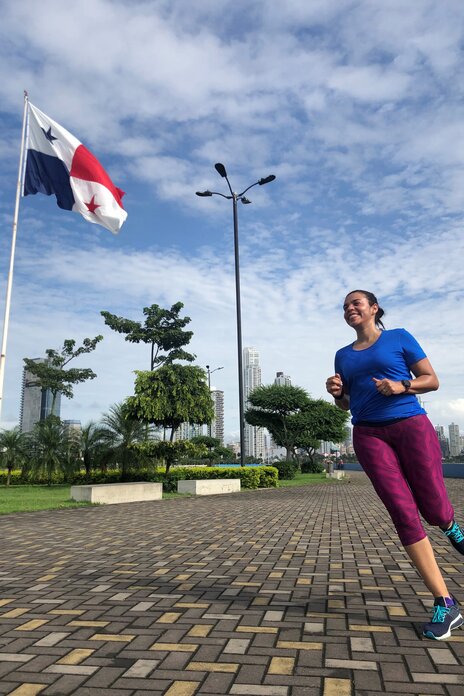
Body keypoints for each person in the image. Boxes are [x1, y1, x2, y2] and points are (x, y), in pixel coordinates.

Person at [326, 289, 464, 641]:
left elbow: (431, 380)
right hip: (369, 434)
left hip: (410, 425)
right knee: (403, 511)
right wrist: (337, 393)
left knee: (433, 507)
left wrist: (401, 385)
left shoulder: (399, 338)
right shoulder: (342, 355)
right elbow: (346, 405)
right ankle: (445, 602)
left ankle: (450, 526)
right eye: (345, 307)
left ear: (373, 308)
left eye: (355, 303)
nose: (349, 309)